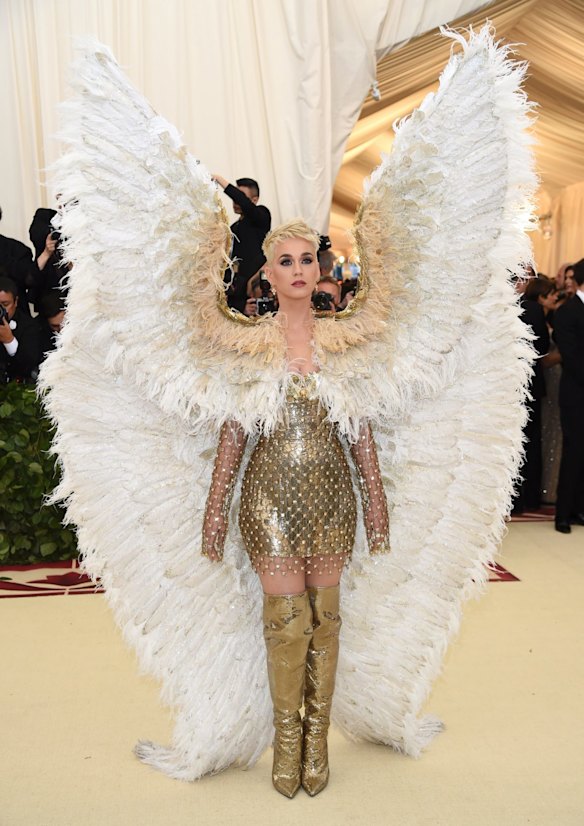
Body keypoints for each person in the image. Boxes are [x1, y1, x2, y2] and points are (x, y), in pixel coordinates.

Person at [202, 220, 389, 797]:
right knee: (286, 626)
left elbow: (360, 430)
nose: (300, 270)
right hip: (269, 497)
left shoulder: (344, 339)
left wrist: (376, 502)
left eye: (308, 259)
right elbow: (234, 431)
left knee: (325, 623)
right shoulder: (249, 341)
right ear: (268, 272)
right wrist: (216, 509)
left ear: (321, 268)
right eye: (287, 261)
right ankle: (287, 741)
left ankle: (318, 739)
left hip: (333, 494)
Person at [553, 259, 584, 533]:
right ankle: (563, 513)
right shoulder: (568, 313)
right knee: (574, 451)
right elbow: (572, 358)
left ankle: (578, 508)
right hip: (576, 392)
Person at [212, 175, 271, 313]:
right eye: (235, 196)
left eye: (240, 196)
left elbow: (247, 206)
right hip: (237, 295)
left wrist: (221, 181)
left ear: (254, 200)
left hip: (257, 289)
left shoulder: (262, 216)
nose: (235, 200)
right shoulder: (233, 228)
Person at [0, 275, 41, 382]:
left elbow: (29, 366)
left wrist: (9, 340)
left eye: (5, 304)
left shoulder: (29, 326)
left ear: (16, 302)